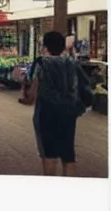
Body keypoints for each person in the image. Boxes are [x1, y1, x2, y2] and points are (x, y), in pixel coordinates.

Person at [26, 31, 93, 177]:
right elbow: (86, 87)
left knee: (49, 154)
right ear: (63, 46)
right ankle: (69, 189)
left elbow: (31, 95)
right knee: (68, 154)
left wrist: (25, 91)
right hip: (68, 114)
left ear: (45, 46)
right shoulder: (73, 63)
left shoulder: (41, 63)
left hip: (46, 114)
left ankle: (52, 190)